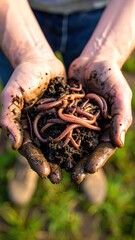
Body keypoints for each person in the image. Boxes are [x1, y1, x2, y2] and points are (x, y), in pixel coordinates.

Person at [0, 0, 134, 205]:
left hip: (102, 15)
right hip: (16, 12)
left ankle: (87, 151)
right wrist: (28, 54)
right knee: (23, 99)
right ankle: (25, 161)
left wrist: (106, 53)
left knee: (87, 75)